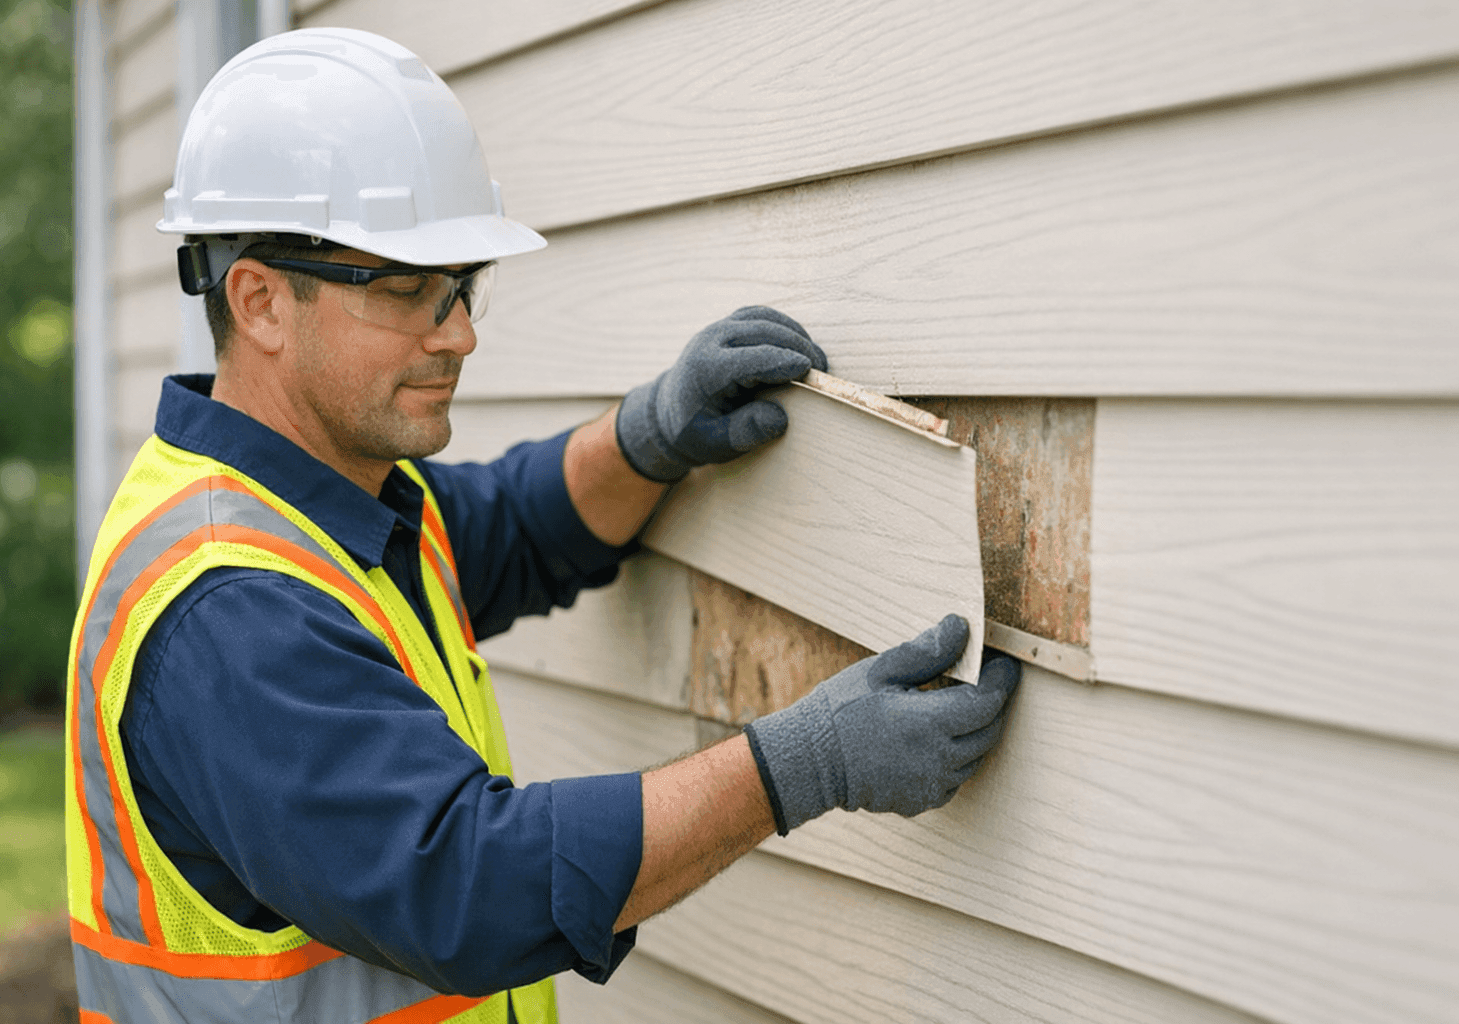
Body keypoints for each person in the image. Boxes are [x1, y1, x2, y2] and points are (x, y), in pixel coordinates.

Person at [64, 26, 1020, 1024]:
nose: (460, 332)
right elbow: (465, 885)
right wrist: (805, 763)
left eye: (464, 285)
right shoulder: (231, 607)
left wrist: (646, 437)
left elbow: (502, 528)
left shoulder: (326, 502)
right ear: (259, 301)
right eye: (408, 291)